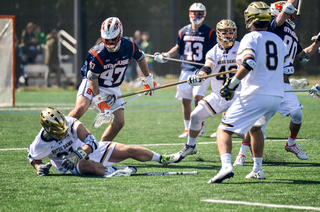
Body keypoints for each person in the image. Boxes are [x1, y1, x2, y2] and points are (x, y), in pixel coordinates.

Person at [207, 1, 290, 183]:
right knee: (256, 128)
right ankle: (258, 169)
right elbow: (285, 69)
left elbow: (249, 62)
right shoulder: (278, 39)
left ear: (250, 19)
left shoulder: (250, 37)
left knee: (223, 130)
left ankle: (226, 166)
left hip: (255, 94)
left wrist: (232, 84)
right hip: (276, 96)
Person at [233, 0, 320, 166]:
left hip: (283, 84)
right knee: (256, 121)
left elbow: (303, 56)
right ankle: (242, 152)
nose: (295, 15)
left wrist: (317, 43)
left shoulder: (292, 33)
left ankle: (291, 144)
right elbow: (286, 10)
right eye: (292, 12)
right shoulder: (273, 27)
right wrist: (291, 4)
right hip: (267, 81)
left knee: (297, 114)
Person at [161, 19, 240, 165]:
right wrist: (199, 77)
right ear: (218, 34)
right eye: (225, 32)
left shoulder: (242, 48)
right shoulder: (213, 51)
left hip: (239, 96)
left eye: (231, 31)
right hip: (219, 96)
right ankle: (191, 146)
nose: (228, 35)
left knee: (245, 131)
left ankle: (245, 155)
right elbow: (207, 67)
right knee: (195, 116)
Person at [68, 17, 157, 142]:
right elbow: (93, 77)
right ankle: (56, 137)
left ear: (120, 35)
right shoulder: (98, 53)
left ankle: (101, 149)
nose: (109, 43)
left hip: (113, 86)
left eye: (113, 39)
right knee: (80, 108)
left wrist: (147, 79)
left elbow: (140, 57)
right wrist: (98, 98)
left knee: (119, 122)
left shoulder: (129, 45)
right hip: (93, 82)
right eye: (106, 39)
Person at [28, 107, 172, 177]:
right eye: (60, 132)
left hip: (86, 151)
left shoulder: (71, 122)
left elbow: (92, 141)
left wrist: (78, 153)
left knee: (130, 150)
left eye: (65, 129)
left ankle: (162, 158)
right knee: (87, 166)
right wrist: (39, 168)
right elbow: (34, 158)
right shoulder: (40, 143)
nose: (65, 133)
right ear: (48, 130)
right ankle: (116, 171)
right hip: (72, 165)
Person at [154, 3, 216, 138]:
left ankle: (200, 123)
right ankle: (187, 128)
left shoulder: (210, 32)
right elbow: (178, 48)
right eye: (193, 12)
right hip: (186, 69)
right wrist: (166, 55)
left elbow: (215, 50)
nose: (196, 15)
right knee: (185, 99)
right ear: (189, 13)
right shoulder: (183, 31)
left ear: (204, 14)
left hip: (201, 69)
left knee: (197, 97)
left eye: (199, 13)